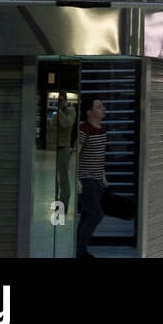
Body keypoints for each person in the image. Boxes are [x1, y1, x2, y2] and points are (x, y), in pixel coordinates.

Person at [75, 97, 108, 258]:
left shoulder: (102, 130)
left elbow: (99, 156)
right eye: (99, 107)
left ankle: (79, 250)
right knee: (96, 215)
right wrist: (76, 179)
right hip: (85, 180)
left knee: (87, 216)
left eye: (102, 106)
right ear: (89, 112)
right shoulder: (84, 130)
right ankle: (80, 252)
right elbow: (75, 154)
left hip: (96, 181)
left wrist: (103, 176)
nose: (103, 109)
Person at [48, 92, 77, 211]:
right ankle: (58, 202)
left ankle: (64, 203)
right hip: (57, 148)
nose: (60, 103)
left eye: (61, 101)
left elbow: (66, 124)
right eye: (58, 101)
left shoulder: (71, 112)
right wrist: (57, 114)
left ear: (65, 101)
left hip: (65, 148)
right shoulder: (59, 114)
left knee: (64, 178)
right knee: (57, 178)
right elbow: (52, 125)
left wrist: (59, 112)